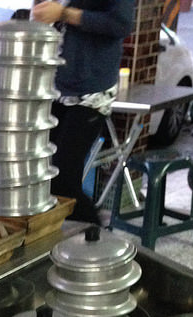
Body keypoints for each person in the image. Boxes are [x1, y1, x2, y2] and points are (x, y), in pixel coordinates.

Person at [32, 0, 134, 224]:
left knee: (62, 177)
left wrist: (63, 13)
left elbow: (121, 24)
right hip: (54, 84)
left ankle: (93, 230)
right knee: (42, 173)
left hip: (90, 90)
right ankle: (63, 235)